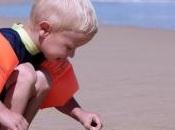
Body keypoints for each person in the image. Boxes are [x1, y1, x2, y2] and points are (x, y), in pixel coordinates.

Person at [0, 0, 103, 130]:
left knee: (43, 78)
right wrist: (3, 113)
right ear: (45, 30)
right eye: (69, 47)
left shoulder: (45, 54)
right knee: (26, 73)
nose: (72, 55)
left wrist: (81, 114)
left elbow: (60, 94)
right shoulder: (5, 43)